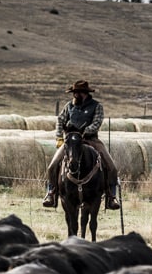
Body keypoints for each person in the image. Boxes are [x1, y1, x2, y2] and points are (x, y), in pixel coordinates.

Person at [43, 80, 121, 210]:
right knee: (52, 166)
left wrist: (84, 132)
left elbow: (97, 122)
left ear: (83, 93)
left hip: (91, 140)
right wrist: (59, 136)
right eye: (73, 92)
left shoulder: (97, 106)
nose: (74, 95)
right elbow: (60, 120)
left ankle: (111, 196)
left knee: (111, 167)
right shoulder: (69, 106)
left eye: (75, 92)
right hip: (71, 141)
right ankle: (51, 193)